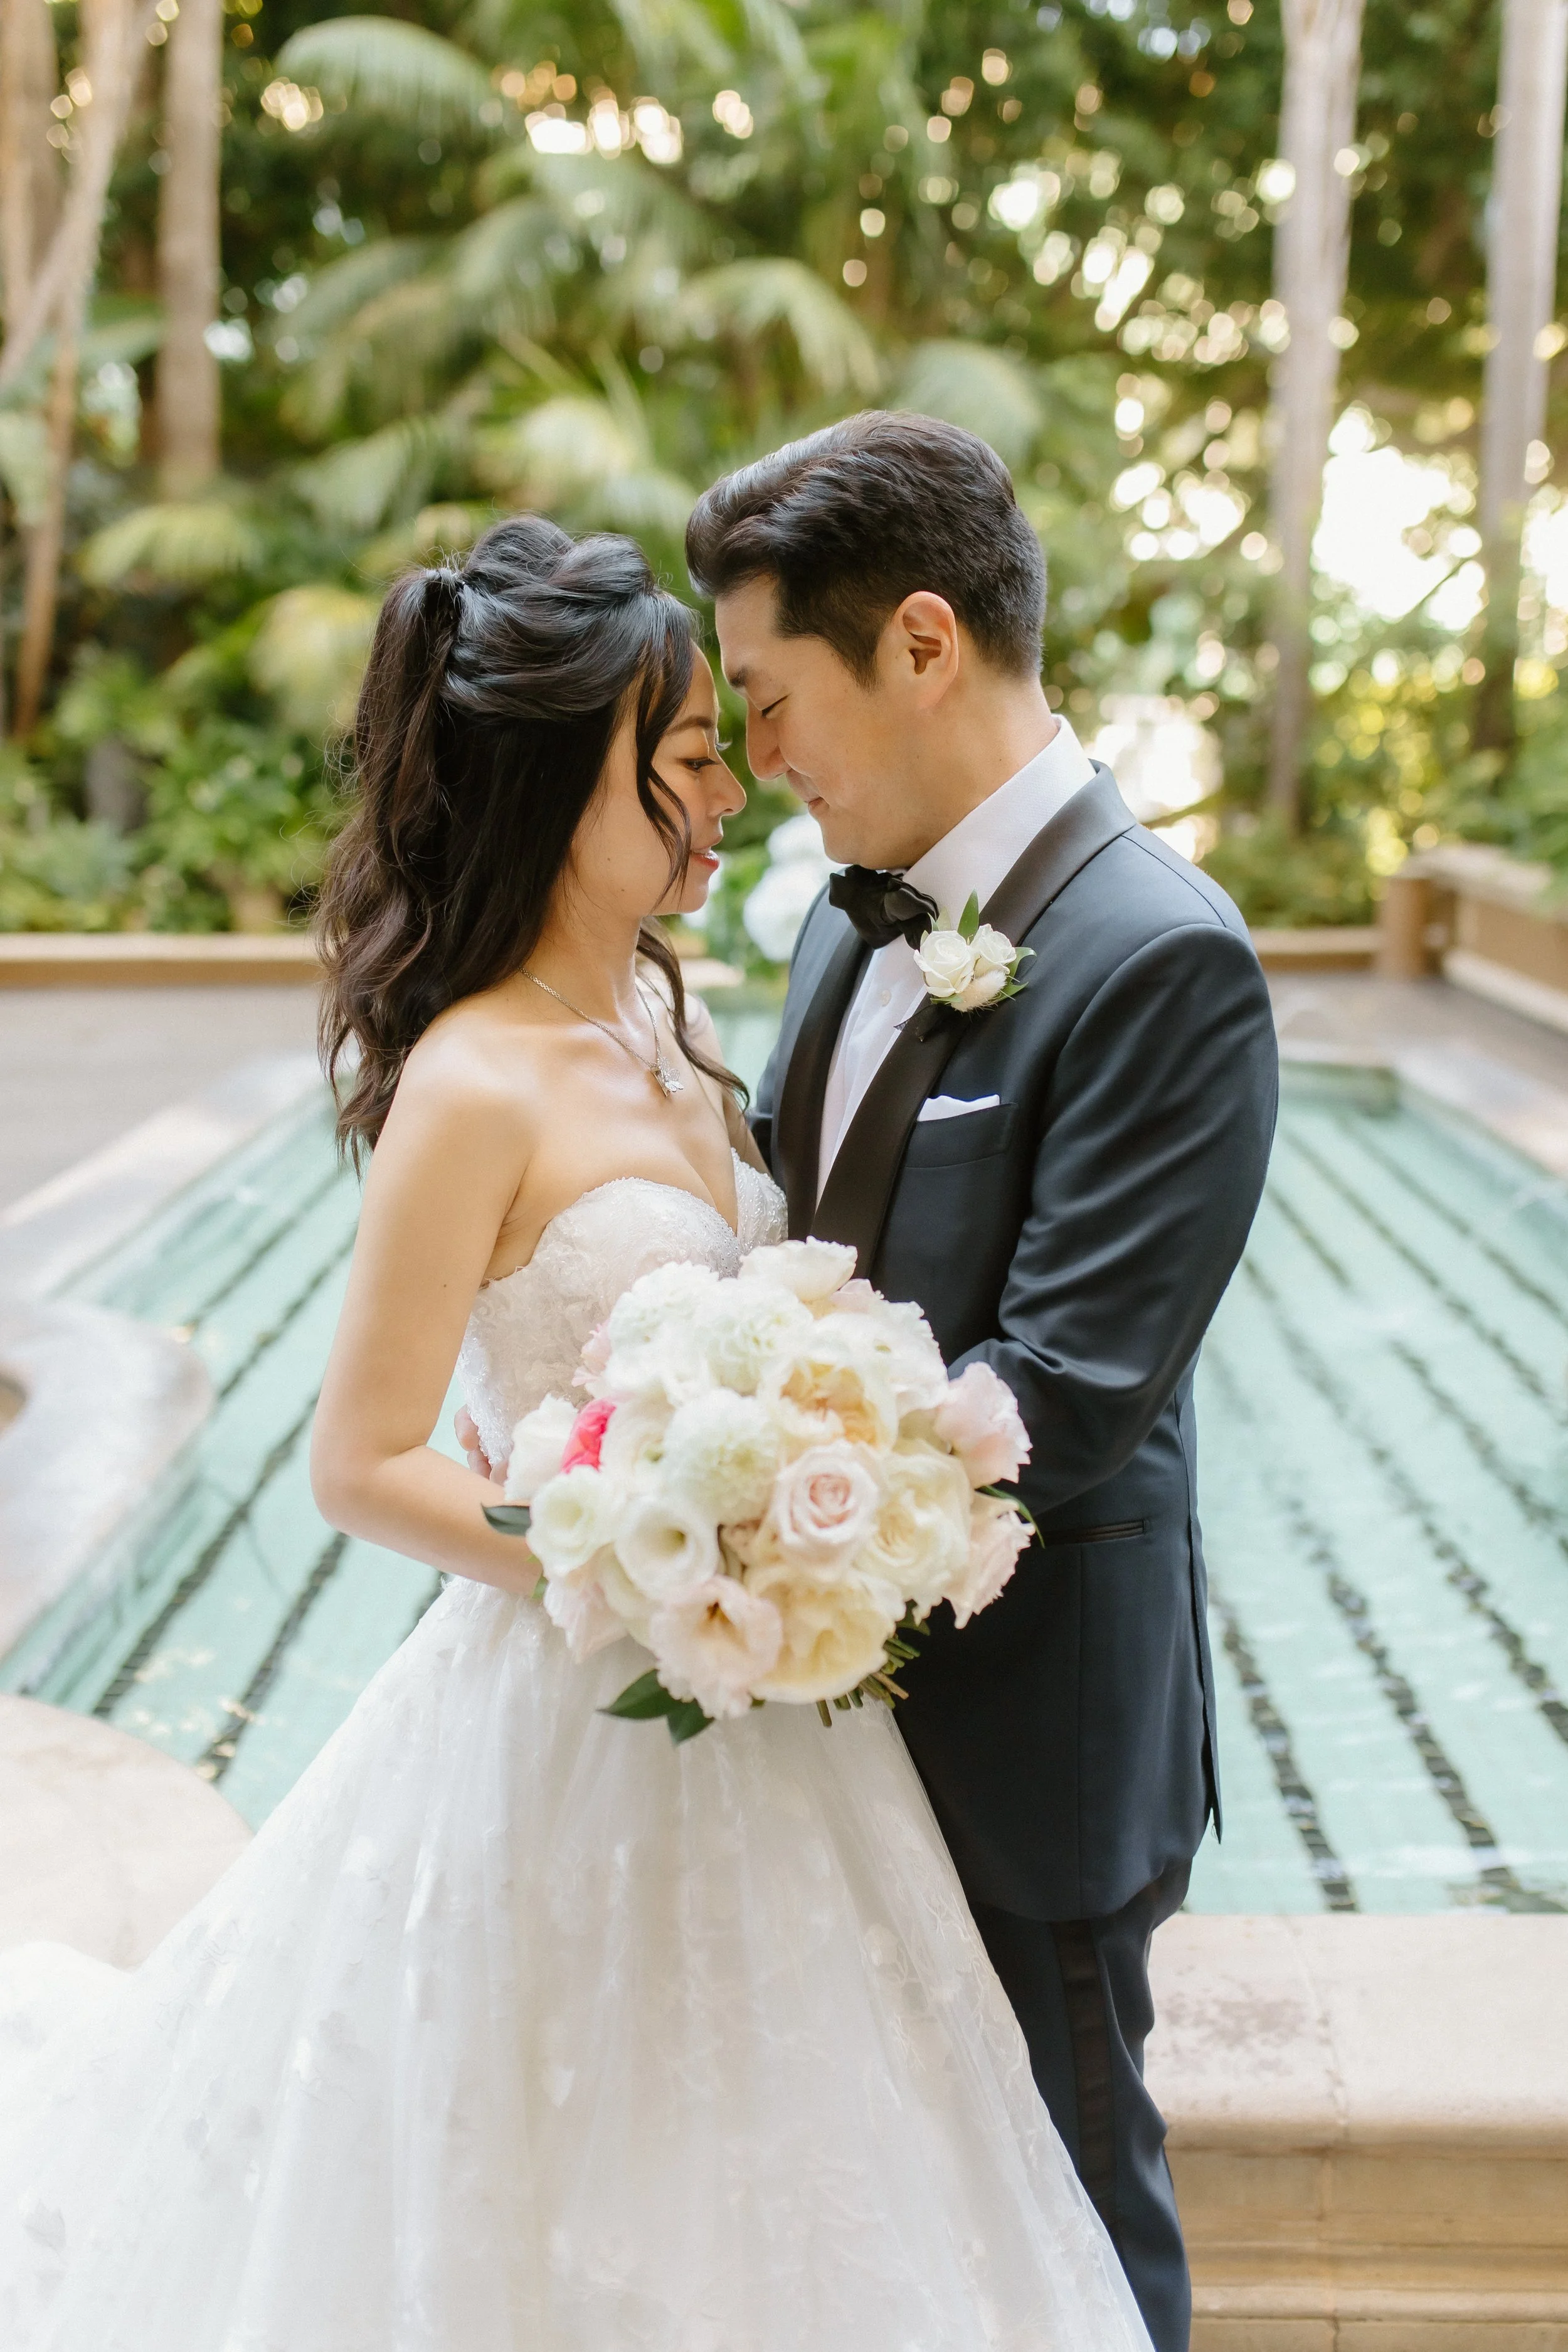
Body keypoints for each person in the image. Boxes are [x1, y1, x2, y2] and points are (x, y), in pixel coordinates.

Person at [0, 516, 1152, 2351]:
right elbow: (362, 1457)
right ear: (563, 780)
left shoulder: (669, 1017)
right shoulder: (469, 1080)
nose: (728, 792)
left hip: (774, 1728)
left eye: (719, 743)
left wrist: (797, 1533)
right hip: (574, 1708)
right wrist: (630, 1544)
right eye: (687, 756)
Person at [683, 411, 1279, 2352]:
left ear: (920, 643)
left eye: (771, 698)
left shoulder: (1156, 957)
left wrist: (720, 1504)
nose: (760, 757)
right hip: (809, 1732)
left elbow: (1059, 1389)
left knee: (1068, 2217)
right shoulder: (839, 923)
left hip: (1022, 1748)